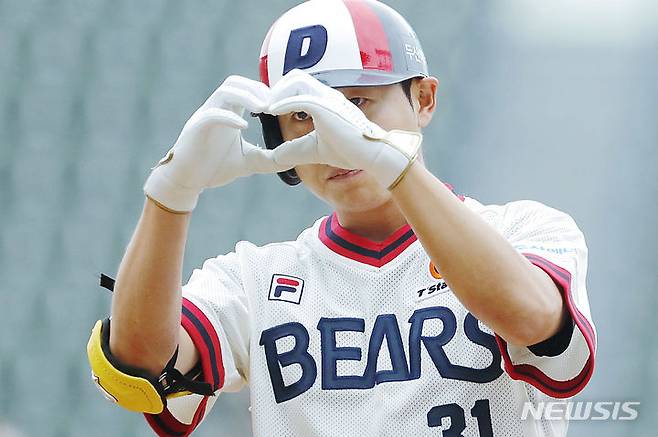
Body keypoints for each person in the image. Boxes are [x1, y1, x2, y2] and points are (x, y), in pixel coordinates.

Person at [86, 1, 596, 436]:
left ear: (423, 99)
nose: (334, 137)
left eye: (357, 104)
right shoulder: (251, 278)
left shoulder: (526, 230)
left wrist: (392, 165)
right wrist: (170, 195)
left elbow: (535, 322)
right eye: (305, 116)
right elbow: (142, 369)